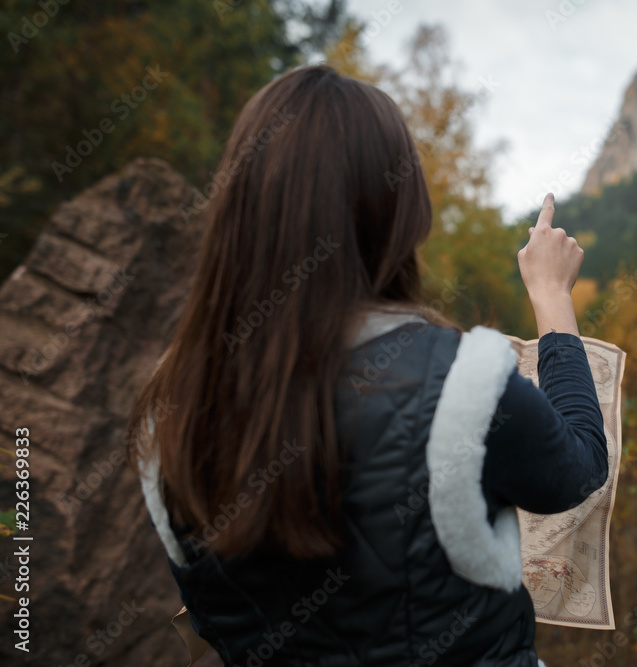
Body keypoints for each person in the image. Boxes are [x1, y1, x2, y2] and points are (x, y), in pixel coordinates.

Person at [128, 64, 608, 667]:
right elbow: (581, 464)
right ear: (396, 209)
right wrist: (552, 297)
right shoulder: (463, 383)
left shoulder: (166, 410)